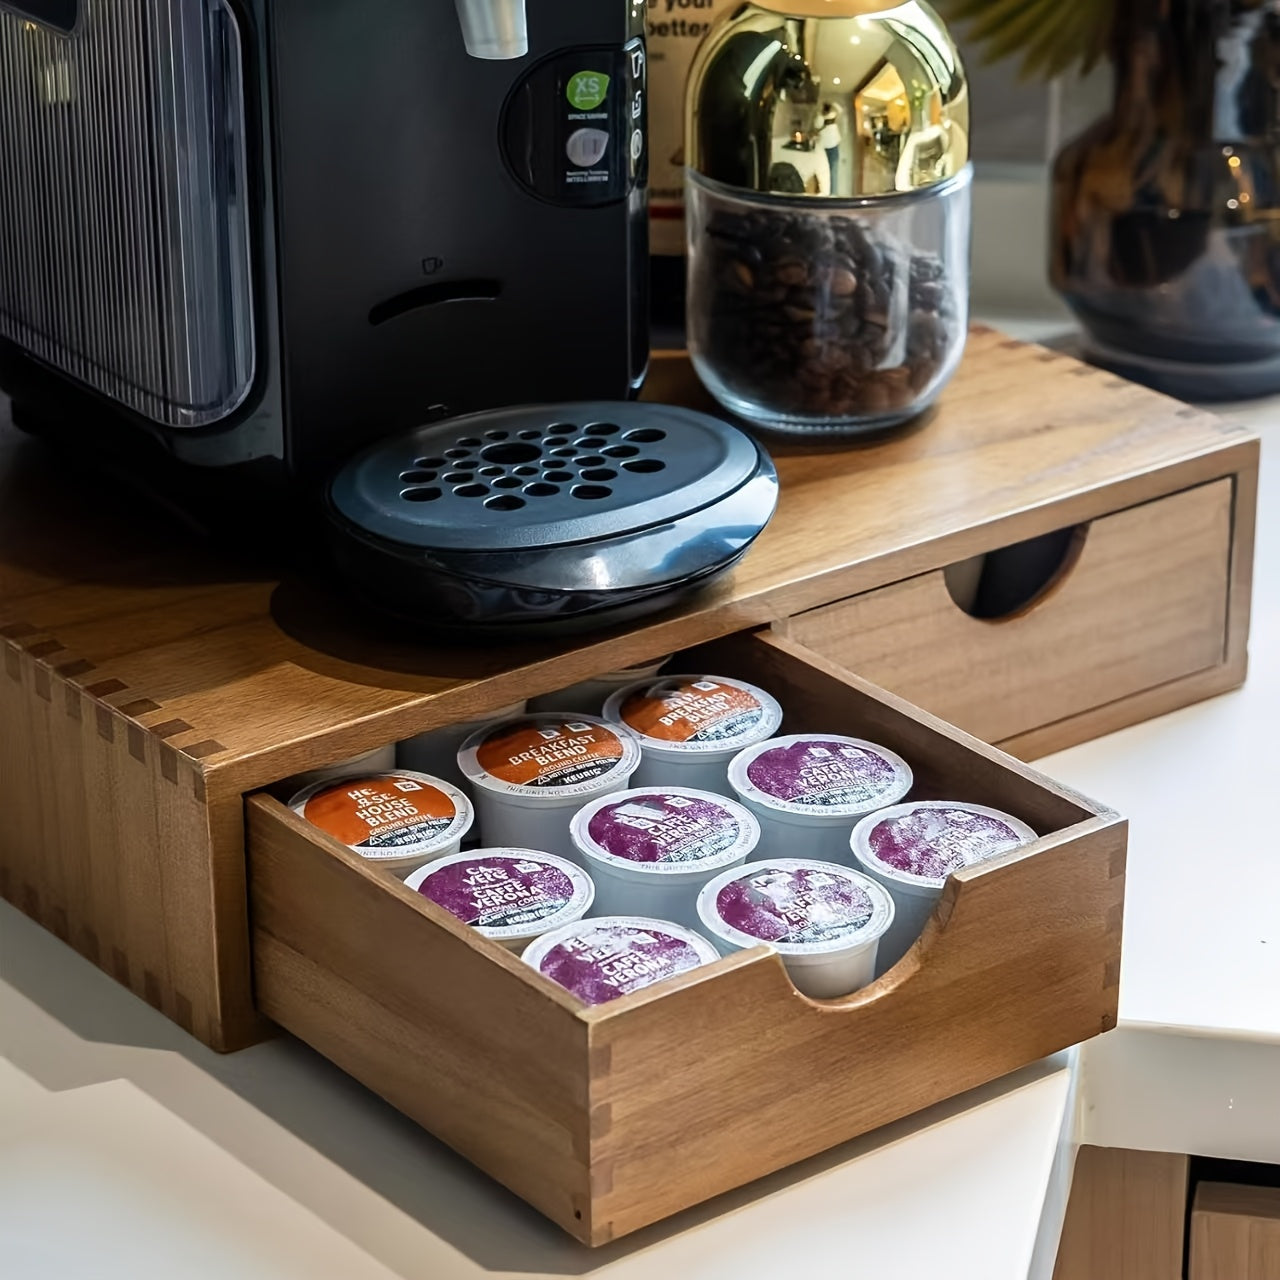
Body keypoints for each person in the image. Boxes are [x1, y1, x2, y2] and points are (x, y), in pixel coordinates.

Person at [818, 104, 841, 190]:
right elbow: (817, 127)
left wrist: (832, 104)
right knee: (828, 172)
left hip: (832, 145)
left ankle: (832, 193)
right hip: (826, 146)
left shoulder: (831, 114)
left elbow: (840, 110)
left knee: (832, 172)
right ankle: (830, 193)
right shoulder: (821, 117)